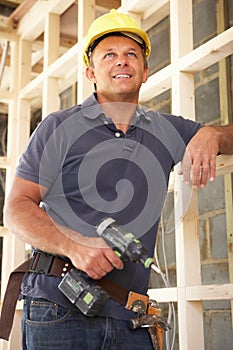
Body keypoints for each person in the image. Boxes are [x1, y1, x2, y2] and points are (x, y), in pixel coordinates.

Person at [2, 8, 233, 350]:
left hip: (131, 317)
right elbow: (16, 209)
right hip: (58, 310)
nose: (122, 61)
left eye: (131, 55)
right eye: (109, 55)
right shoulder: (58, 126)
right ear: (91, 72)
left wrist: (212, 134)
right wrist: (74, 246)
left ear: (144, 71)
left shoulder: (166, 130)